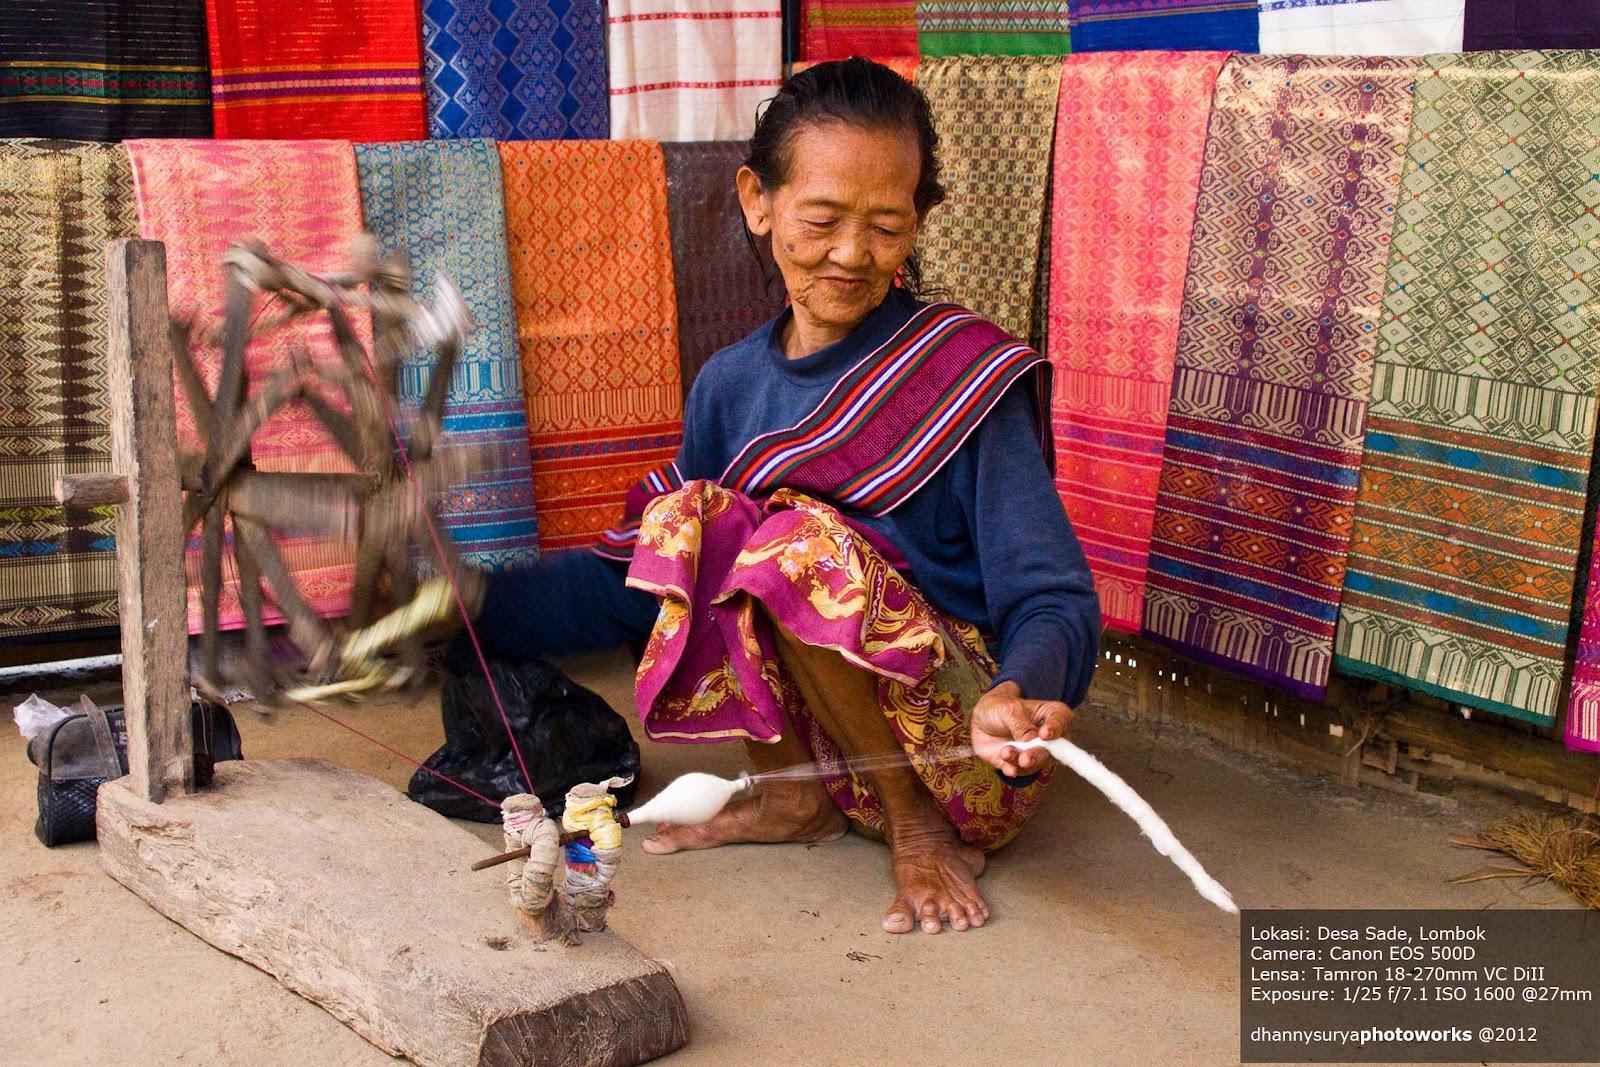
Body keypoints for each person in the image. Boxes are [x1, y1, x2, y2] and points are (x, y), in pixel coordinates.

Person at [476, 57, 1101, 935]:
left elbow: (1055, 595)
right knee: (698, 518)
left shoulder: (962, 371)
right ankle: (791, 797)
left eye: (888, 226)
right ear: (756, 201)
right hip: (828, 761)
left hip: (966, 760)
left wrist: (1022, 686)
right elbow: (644, 579)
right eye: (823, 220)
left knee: (788, 543)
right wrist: (460, 607)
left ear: (918, 220)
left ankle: (915, 829)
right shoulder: (730, 385)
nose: (853, 254)